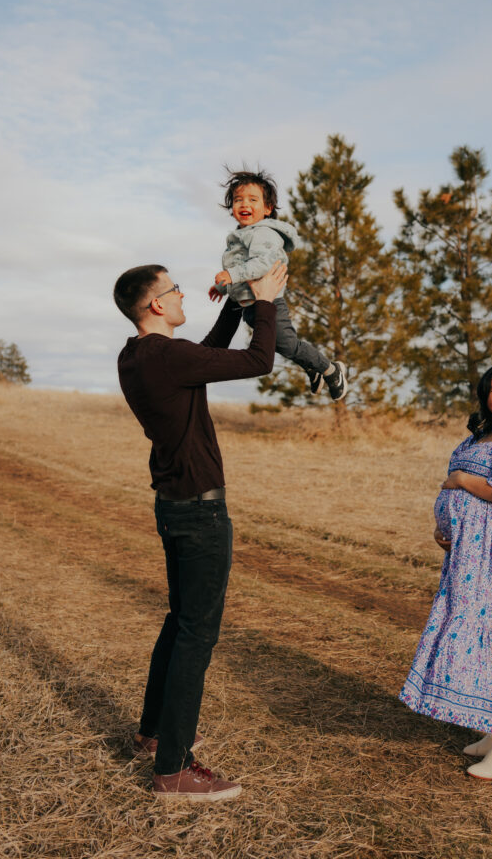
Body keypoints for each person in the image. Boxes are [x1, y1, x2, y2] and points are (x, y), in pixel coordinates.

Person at [113, 259, 287, 801]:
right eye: (175, 290)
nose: (183, 295)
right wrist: (264, 300)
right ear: (157, 304)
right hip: (199, 512)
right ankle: (173, 768)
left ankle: (152, 733)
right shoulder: (169, 356)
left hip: (173, 507)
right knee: (196, 636)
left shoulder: (136, 355)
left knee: (179, 622)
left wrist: (234, 304)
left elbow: (205, 353)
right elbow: (260, 360)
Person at [399, 362, 492, 781]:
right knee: (472, 629)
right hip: (470, 554)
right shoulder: (478, 436)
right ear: (485, 395)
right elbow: (452, 490)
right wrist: (445, 528)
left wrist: (462, 480)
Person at [209, 168, 348, 402]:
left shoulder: (264, 233)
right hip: (251, 305)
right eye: (238, 199)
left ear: (267, 208)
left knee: (288, 344)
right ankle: (312, 368)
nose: (245, 204)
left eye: (253, 199)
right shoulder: (241, 235)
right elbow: (240, 266)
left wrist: (231, 275)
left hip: (270, 302)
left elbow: (262, 264)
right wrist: (223, 287)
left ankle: (331, 370)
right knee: (279, 345)